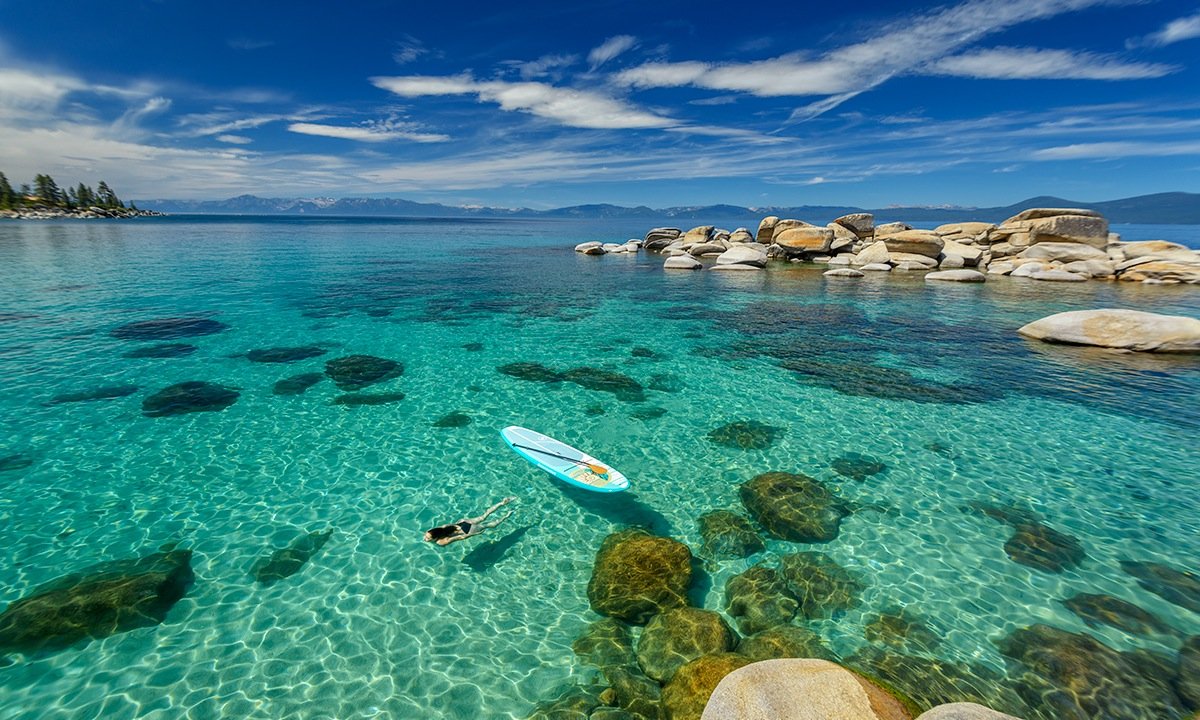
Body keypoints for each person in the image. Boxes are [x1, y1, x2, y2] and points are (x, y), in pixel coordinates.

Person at [424, 496, 516, 546]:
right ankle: (502, 503)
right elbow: (447, 525)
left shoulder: (441, 542)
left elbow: (461, 537)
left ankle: (507, 515)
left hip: (467, 530)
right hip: (462, 523)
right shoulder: (437, 529)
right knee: (484, 516)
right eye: (426, 537)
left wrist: (476, 534)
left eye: (427, 538)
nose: (425, 539)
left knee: (488, 525)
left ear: (435, 537)